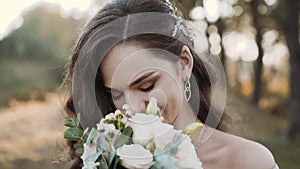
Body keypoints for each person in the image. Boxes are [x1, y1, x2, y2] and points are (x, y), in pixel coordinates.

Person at [63, 0, 279, 168]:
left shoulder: (248, 161)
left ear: (184, 63)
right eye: (117, 94)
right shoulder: (112, 158)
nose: (133, 107)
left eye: (146, 86)